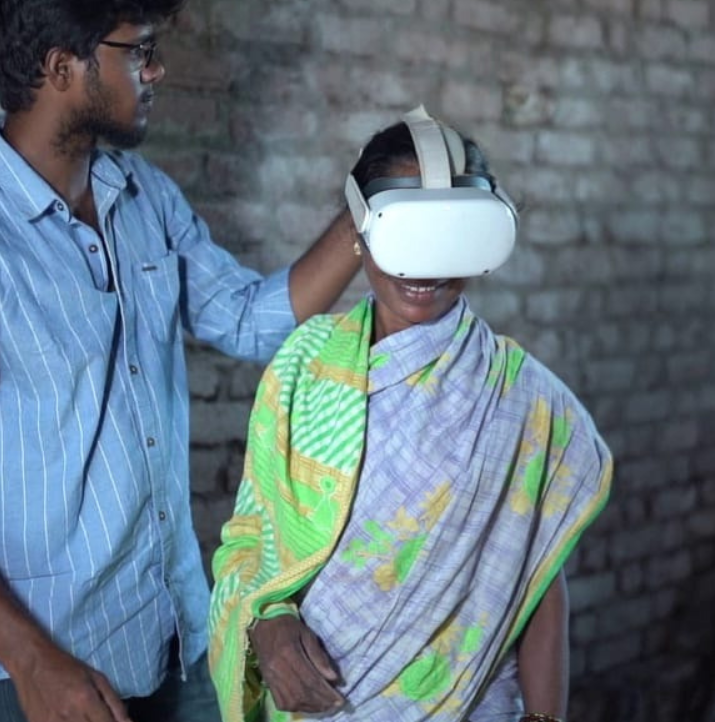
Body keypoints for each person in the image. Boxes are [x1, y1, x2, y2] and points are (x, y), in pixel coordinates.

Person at [0, 0, 358, 722]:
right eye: (138, 51)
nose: (155, 69)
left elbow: (248, 317)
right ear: (62, 68)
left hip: (180, 633)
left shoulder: (146, 198)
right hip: (51, 671)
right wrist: (33, 662)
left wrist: (367, 214)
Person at [208, 113, 614, 722]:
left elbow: (534, 576)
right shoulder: (304, 367)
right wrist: (266, 622)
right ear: (360, 230)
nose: (425, 269)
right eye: (406, 235)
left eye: (450, 237)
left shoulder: (527, 401)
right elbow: (249, 538)